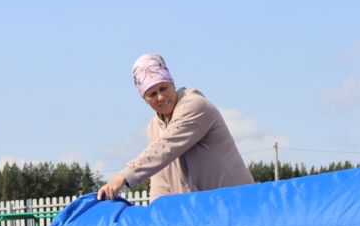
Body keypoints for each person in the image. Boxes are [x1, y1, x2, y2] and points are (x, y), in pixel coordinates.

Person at [97, 53, 253, 201]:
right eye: (152, 94)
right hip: (202, 214)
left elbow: (165, 148)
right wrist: (155, 215)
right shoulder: (154, 127)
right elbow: (160, 181)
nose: (160, 97)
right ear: (144, 99)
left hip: (237, 205)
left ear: (172, 83)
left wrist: (123, 176)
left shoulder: (194, 105)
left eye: (163, 88)